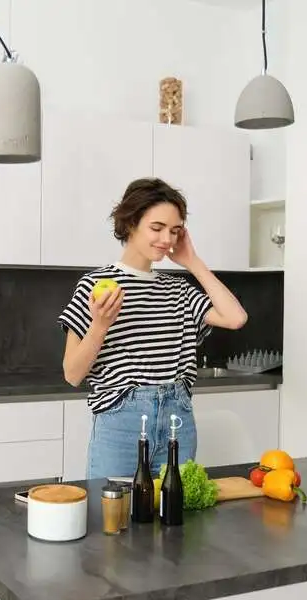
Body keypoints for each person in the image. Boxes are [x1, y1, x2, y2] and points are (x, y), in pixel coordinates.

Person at [57, 177, 248, 480]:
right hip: (121, 422)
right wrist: (101, 324)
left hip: (178, 422)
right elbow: (72, 374)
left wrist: (193, 262)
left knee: (173, 521)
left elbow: (235, 318)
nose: (167, 239)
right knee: (113, 520)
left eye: (174, 231)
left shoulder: (178, 289)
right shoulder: (94, 285)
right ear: (131, 223)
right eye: (156, 228)